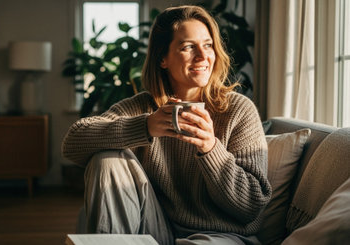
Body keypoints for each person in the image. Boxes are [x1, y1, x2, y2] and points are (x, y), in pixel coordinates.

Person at [62, 5, 271, 245]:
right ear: (163, 58)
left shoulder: (238, 110)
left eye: (208, 45)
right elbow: (73, 143)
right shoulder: (145, 107)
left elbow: (252, 206)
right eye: (188, 47)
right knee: (107, 159)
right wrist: (146, 126)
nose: (203, 57)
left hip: (221, 237)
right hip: (158, 229)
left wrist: (211, 149)